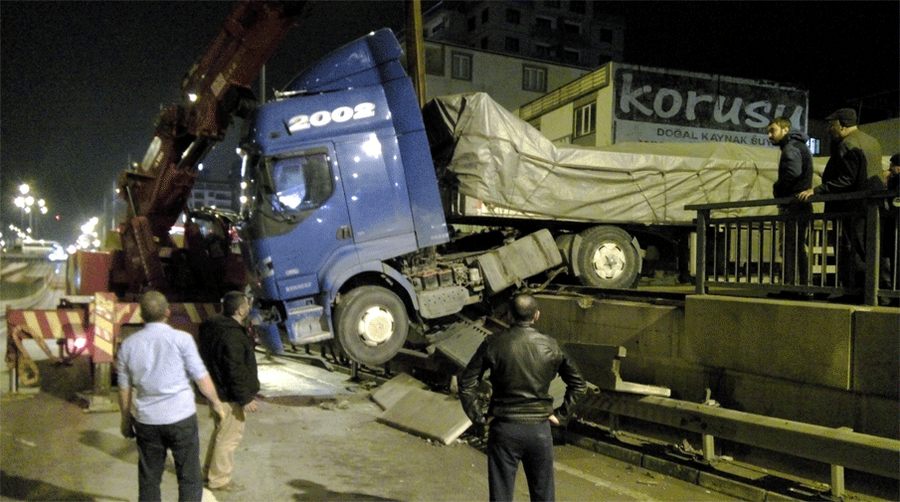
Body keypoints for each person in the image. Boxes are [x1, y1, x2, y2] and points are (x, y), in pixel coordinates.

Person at [459, 294, 586, 502]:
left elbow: (467, 383)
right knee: (543, 494)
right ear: (536, 315)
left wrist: (480, 417)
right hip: (539, 430)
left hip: (504, 428)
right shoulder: (551, 345)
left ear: (509, 315)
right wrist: (561, 416)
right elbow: (579, 385)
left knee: (501, 494)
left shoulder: (493, 343)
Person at [117, 290, 225, 502]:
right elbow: (200, 376)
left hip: (147, 421)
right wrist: (216, 403)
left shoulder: (128, 345)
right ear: (167, 312)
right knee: (189, 476)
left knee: (149, 478)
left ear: (141, 315)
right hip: (181, 418)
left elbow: (124, 387)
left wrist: (125, 418)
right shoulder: (182, 339)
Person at [797, 108, 884, 295]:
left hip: (851, 207)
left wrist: (817, 190)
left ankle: (852, 291)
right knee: (867, 249)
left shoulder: (847, 143)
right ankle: (872, 291)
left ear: (842, 125)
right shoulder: (872, 141)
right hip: (869, 206)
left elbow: (846, 179)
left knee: (849, 249)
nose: (830, 128)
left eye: (832, 124)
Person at [198, 291, 260, 493]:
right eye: (247, 305)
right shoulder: (232, 335)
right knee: (229, 438)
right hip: (229, 395)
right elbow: (234, 368)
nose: (249, 308)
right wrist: (244, 398)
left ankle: (208, 473)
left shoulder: (214, 327)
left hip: (216, 391)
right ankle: (220, 480)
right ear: (240, 309)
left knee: (220, 433)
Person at [767, 117, 813, 288]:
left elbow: (792, 173)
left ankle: (790, 285)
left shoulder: (790, 148)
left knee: (789, 246)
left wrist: (777, 188)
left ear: (785, 130)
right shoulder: (799, 146)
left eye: (773, 130)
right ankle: (801, 285)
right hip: (801, 204)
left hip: (793, 205)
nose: (770, 135)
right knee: (797, 246)